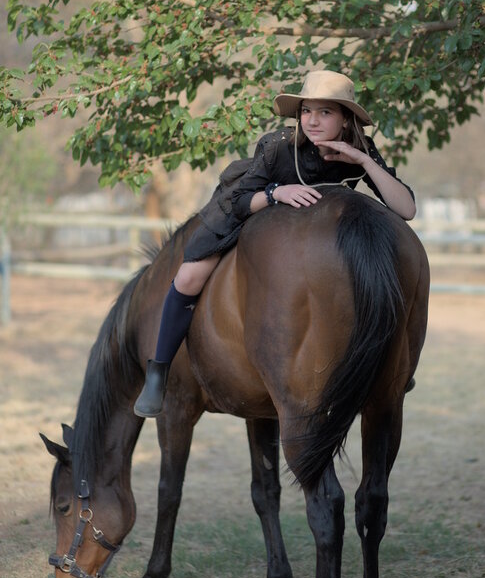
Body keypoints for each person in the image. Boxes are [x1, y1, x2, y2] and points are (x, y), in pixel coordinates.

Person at [134, 70, 416, 418]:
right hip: (248, 208)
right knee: (188, 278)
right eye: (306, 111)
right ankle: (158, 371)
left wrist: (363, 161)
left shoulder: (360, 150)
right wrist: (275, 192)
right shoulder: (278, 145)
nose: (312, 121)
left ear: (345, 120)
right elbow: (238, 200)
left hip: (304, 229)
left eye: (325, 112)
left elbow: (406, 208)